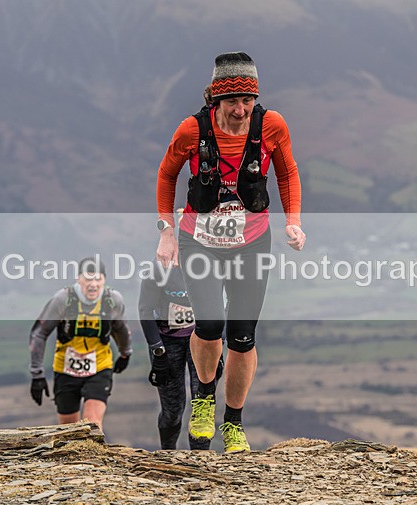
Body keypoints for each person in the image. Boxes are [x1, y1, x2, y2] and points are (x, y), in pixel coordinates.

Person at [155, 51, 305, 452]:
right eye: (232, 101)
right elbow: (166, 174)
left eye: (248, 100)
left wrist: (293, 220)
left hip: (251, 243)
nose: (240, 110)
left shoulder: (271, 125)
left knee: (242, 337)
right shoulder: (191, 131)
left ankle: (233, 421)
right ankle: (204, 396)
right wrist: (166, 232)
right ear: (215, 101)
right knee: (207, 325)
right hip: (199, 239)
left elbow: (287, 171)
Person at [139, 210, 225, 450]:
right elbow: (145, 311)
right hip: (168, 342)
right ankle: (168, 454)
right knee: (173, 408)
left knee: (202, 402)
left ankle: (199, 459)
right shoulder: (159, 270)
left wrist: (221, 342)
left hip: (202, 342)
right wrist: (157, 352)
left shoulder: (211, 266)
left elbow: (224, 306)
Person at [29, 256, 132, 434]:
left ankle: (95, 460)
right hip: (66, 369)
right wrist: (37, 375)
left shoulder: (112, 300)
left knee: (92, 422)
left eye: (98, 279)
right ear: (79, 278)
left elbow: (120, 328)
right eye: (88, 278)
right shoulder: (63, 299)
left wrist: (125, 353)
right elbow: (39, 332)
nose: (93, 284)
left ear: (104, 280)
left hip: (99, 366)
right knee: (68, 429)